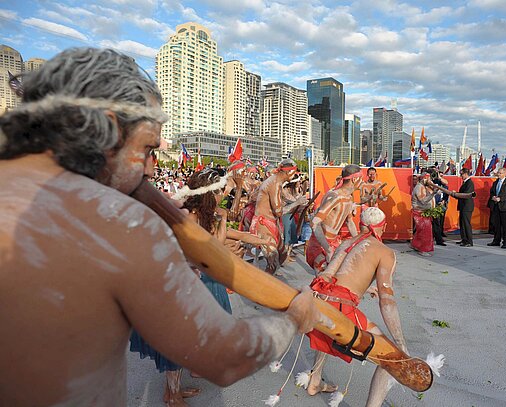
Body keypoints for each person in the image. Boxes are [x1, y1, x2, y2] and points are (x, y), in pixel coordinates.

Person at [0, 47, 321, 407]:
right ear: (105, 130)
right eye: (148, 149)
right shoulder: (119, 221)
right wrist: (294, 317)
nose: (151, 170)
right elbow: (225, 357)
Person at [305, 207, 412, 406]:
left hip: (318, 301)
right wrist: (400, 342)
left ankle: (315, 379)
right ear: (384, 227)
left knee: (327, 320)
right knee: (390, 356)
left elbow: (336, 277)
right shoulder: (385, 252)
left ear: (360, 224)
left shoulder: (346, 242)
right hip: (340, 307)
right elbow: (387, 300)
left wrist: (366, 287)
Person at [252, 158, 307, 274]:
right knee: (273, 259)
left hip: (271, 222)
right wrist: (297, 203)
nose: (295, 175)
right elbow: (278, 212)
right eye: (294, 171)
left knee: (282, 255)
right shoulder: (275, 183)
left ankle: (268, 280)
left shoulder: (277, 182)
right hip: (263, 224)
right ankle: (264, 286)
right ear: (288, 172)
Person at [306, 164, 362, 272]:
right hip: (320, 244)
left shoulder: (348, 198)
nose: (363, 182)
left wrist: (358, 242)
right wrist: (328, 249)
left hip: (334, 243)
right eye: (361, 179)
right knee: (323, 282)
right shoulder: (335, 196)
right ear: (355, 179)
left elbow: (350, 222)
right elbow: (314, 223)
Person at [487, 167, 506, 249]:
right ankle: (496, 240)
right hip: (496, 207)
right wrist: (493, 197)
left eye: (500, 173)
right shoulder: (495, 183)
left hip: (505, 207)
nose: (498, 174)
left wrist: (501, 199)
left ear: (505, 174)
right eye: (498, 173)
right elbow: (492, 192)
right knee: (496, 225)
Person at [411, 172, 436, 256]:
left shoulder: (425, 187)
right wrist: (433, 194)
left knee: (420, 231)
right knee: (425, 232)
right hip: (420, 213)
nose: (429, 181)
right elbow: (423, 201)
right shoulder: (419, 187)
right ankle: (423, 249)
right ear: (423, 179)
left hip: (424, 212)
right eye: (428, 179)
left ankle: (416, 245)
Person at [455, 168, 475, 247]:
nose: (461, 176)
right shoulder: (464, 183)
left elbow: (466, 194)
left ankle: (469, 241)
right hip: (462, 206)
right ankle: (464, 239)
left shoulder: (470, 183)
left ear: (466, 174)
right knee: (462, 223)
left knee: (466, 224)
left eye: (462, 174)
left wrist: (456, 194)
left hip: (467, 207)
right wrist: (456, 194)